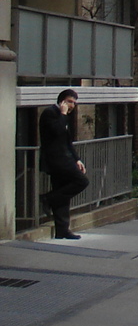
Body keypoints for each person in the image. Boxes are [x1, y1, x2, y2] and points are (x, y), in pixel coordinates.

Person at [39, 89, 87, 239]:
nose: (72, 106)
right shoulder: (50, 113)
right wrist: (63, 114)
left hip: (66, 158)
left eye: (74, 103)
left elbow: (68, 141)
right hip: (56, 160)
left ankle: (62, 230)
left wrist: (77, 159)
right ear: (61, 101)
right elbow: (57, 131)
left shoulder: (63, 117)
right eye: (69, 102)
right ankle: (48, 198)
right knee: (82, 181)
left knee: (63, 194)